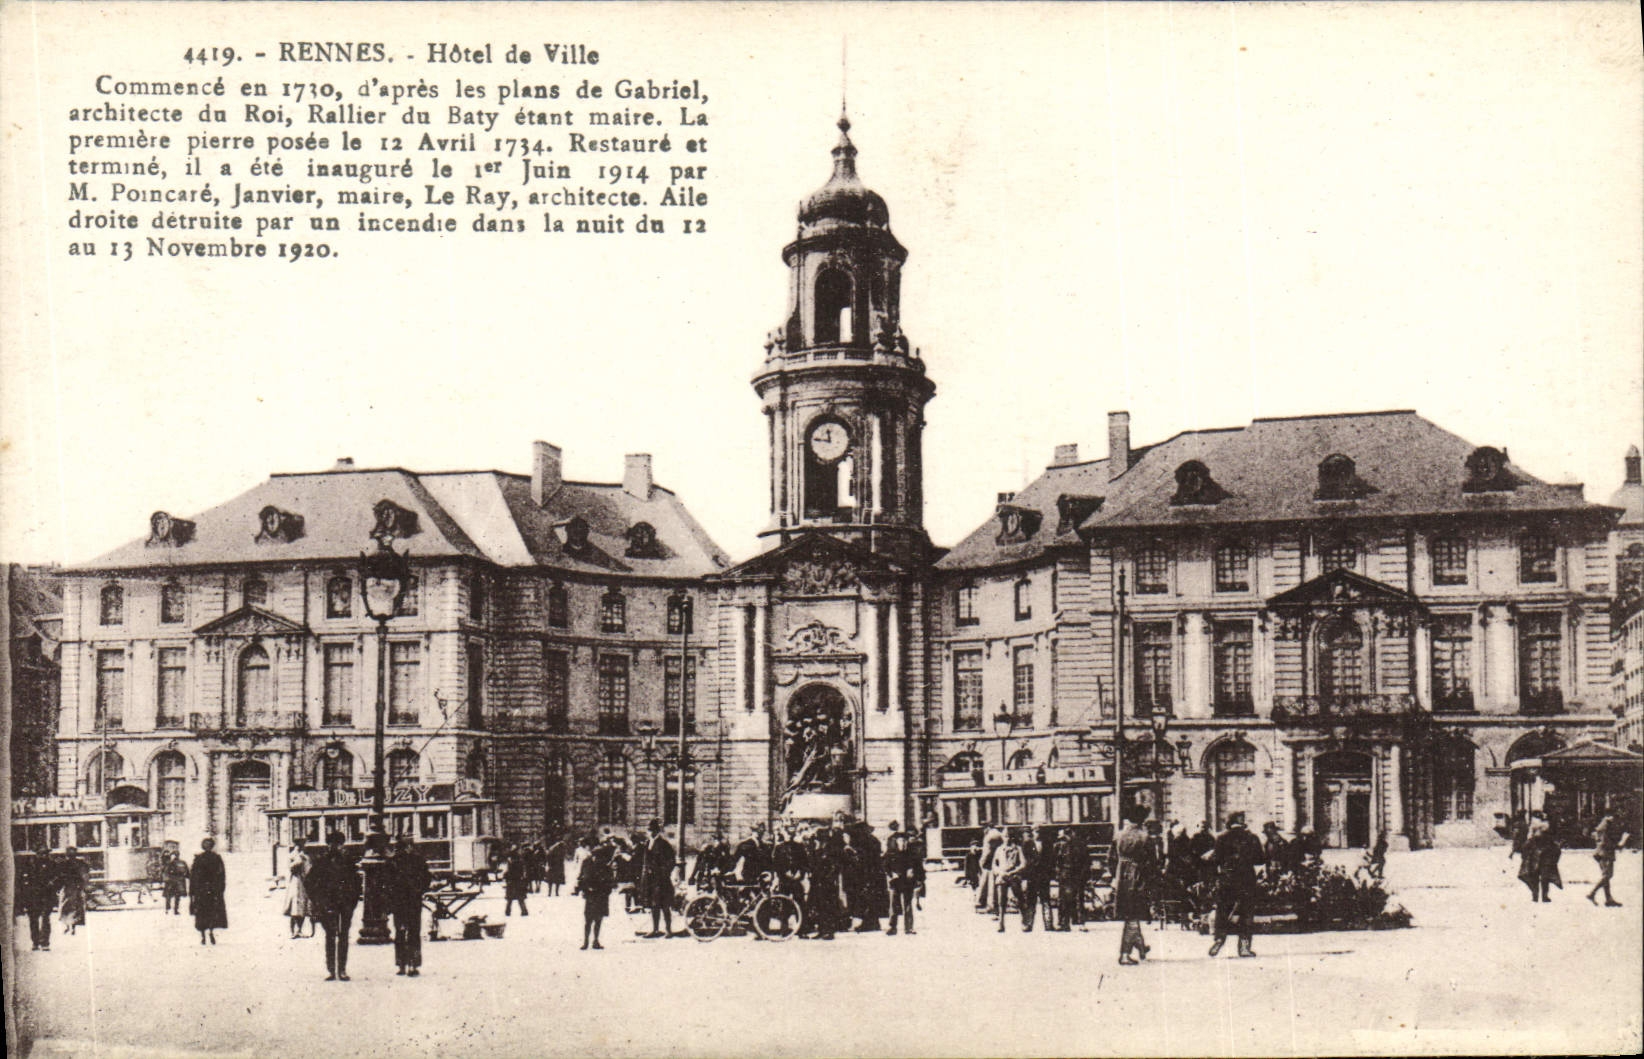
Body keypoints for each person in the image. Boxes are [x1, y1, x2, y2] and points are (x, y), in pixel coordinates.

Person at [1204, 812, 1265, 958]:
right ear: (1243, 823)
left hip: (1228, 879)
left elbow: (1216, 860)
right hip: (1247, 880)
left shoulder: (1221, 838)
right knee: (1247, 913)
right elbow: (1260, 859)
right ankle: (1244, 947)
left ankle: (1219, 939)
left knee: (1223, 910)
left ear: (1229, 823)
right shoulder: (1252, 838)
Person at [307, 831, 361, 981]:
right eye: (332, 844)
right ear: (328, 844)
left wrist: (352, 902)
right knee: (330, 936)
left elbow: (356, 883)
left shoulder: (348, 862)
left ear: (341, 845)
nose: (335, 847)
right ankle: (331, 970)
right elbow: (310, 883)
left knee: (343, 936)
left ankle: (342, 969)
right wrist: (318, 901)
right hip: (328, 904)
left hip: (345, 905)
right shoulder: (321, 862)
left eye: (338, 844)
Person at [1111, 805, 1158, 965]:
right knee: (1132, 915)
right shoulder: (1145, 837)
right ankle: (1124, 954)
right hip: (1138, 877)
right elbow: (1152, 863)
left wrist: (1115, 875)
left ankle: (1141, 947)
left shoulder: (1118, 835)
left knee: (1130, 914)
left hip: (1122, 877)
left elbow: (1110, 859)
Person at [390, 835, 431, 976]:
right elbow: (427, 878)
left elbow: (386, 883)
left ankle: (402, 964)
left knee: (401, 932)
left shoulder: (393, 862)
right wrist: (420, 890)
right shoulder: (417, 860)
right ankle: (412, 964)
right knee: (413, 932)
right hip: (411, 901)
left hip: (401, 902)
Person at [639, 820, 681, 938]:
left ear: (656, 831)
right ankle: (655, 929)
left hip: (661, 880)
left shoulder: (663, 844)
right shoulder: (648, 843)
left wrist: (663, 872)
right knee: (653, 905)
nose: (648, 832)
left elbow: (671, 861)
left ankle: (668, 930)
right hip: (650, 880)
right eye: (648, 830)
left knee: (664, 905)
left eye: (650, 830)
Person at [575, 835, 616, 950]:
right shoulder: (587, 862)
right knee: (588, 920)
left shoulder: (605, 865)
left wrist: (606, 891)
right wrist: (583, 889)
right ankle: (586, 941)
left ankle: (595, 941)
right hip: (590, 895)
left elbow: (610, 880)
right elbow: (581, 877)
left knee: (598, 919)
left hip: (601, 895)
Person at [884, 831, 925, 935]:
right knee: (894, 905)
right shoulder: (890, 853)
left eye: (904, 841)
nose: (903, 843)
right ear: (897, 842)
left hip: (908, 883)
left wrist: (918, 879)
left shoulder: (912, 855)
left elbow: (919, 868)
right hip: (895, 882)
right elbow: (885, 866)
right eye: (900, 841)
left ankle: (909, 928)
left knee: (907, 905)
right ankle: (892, 927)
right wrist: (891, 874)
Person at [20, 847, 60, 951]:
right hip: (33, 895)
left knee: (46, 918)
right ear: (36, 854)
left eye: (45, 854)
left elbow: (58, 877)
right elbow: (24, 881)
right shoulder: (30, 865)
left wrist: (53, 883)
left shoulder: (53, 864)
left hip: (47, 894)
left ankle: (45, 942)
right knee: (33, 919)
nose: (44, 856)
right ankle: (35, 942)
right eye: (41, 854)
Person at [189, 837, 228, 946]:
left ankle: (203, 935)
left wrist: (192, 891)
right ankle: (210, 931)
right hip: (212, 889)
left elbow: (193, 876)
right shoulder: (216, 858)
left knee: (202, 913)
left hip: (201, 890)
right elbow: (221, 875)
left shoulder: (199, 859)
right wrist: (220, 888)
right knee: (211, 911)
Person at [1519, 811, 1562, 902]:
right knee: (1544, 876)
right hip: (1545, 853)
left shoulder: (1534, 827)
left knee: (1535, 875)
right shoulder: (1547, 827)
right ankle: (1543, 896)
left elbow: (1528, 840)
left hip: (1536, 853)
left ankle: (1536, 896)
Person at [1587, 811, 1627, 907]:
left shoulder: (1601, 826)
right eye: (1613, 817)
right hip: (1605, 853)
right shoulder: (1607, 826)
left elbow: (1595, 836)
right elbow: (1608, 843)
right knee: (1608, 875)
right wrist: (1622, 842)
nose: (1615, 820)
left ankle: (1608, 899)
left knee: (1605, 876)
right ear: (1609, 816)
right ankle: (1592, 893)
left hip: (1600, 853)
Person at [995, 829, 1029, 933]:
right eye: (1005, 836)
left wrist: (1014, 872)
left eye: (1009, 836)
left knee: (1020, 900)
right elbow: (994, 865)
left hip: (1014, 877)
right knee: (1001, 901)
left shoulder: (1017, 849)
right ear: (1002, 837)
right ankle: (1001, 924)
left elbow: (1023, 864)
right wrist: (999, 872)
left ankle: (1024, 923)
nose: (1007, 838)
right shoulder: (999, 849)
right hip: (1002, 877)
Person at [1055, 826, 1089, 931]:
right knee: (1064, 899)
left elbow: (1086, 862)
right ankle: (1063, 923)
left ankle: (1079, 922)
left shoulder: (1081, 846)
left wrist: (1084, 875)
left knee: (1078, 898)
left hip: (1076, 874)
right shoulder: (1060, 846)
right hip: (1066, 874)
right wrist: (1059, 874)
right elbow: (1057, 861)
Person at [57, 847, 89, 936]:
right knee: (73, 907)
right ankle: (71, 926)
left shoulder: (64, 864)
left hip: (70, 888)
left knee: (68, 907)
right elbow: (85, 876)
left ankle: (69, 926)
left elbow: (60, 876)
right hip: (73, 888)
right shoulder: (80, 864)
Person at [503, 843, 530, 917]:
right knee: (520, 898)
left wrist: (505, 876)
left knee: (510, 899)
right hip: (519, 881)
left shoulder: (511, 862)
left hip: (512, 882)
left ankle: (508, 911)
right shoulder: (520, 861)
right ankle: (524, 911)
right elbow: (522, 871)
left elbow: (509, 872)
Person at [162, 849, 190, 916]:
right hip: (179, 882)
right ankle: (176, 910)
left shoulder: (170, 863)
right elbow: (187, 873)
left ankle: (167, 908)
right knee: (177, 896)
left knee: (169, 895)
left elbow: (166, 871)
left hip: (171, 881)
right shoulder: (183, 862)